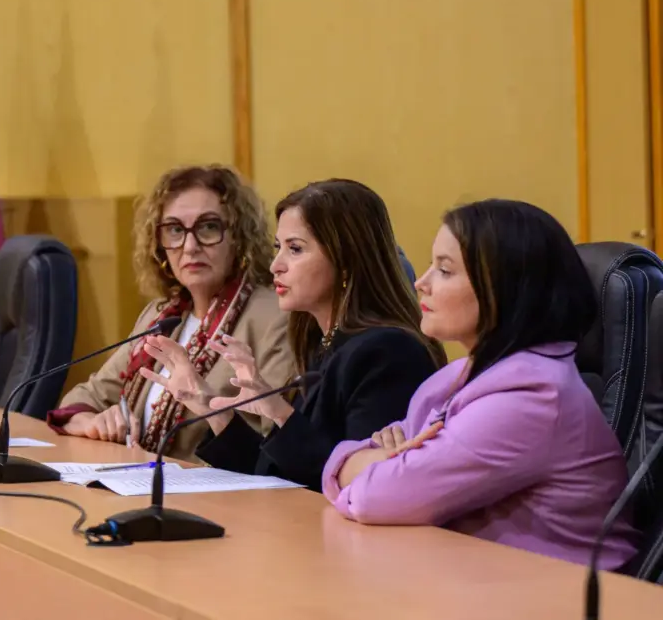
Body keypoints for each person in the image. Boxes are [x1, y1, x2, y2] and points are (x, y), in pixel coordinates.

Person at [321, 199, 639, 570]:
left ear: (506, 288)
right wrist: (385, 461)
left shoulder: (531, 398)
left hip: (561, 597)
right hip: (481, 581)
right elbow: (371, 468)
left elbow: (379, 496)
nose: (420, 283)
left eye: (444, 270)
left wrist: (380, 463)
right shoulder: (455, 378)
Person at [141, 179, 446, 489]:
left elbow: (356, 483)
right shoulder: (325, 343)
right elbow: (274, 476)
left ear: (345, 262)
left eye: (295, 249)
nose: (276, 265)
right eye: (278, 248)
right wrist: (209, 407)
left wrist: (280, 413)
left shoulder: (388, 353)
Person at [46, 164, 294, 461]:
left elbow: (275, 449)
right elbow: (86, 397)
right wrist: (92, 422)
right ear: (160, 244)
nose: (190, 246)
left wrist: (203, 400)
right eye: (175, 230)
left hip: (219, 499)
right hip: (141, 484)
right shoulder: (162, 316)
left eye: (208, 227)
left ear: (238, 237)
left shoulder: (274, 317)